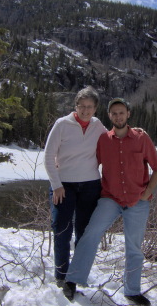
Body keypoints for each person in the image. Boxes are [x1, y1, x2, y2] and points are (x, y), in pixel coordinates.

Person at [63, 98, 157, 306]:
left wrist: (148, 192)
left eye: (121, 112)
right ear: (109, 116)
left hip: (137, 200)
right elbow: (87, 161)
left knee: (134, 247)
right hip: (110, 198)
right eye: (114, 113)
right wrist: (63, 165)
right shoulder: (103, 140)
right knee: (91, 234)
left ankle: (132, 291)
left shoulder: (141, 138)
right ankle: (72, 280)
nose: (118, 116)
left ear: (128, 114)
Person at [44, 86, 107, 287]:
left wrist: (135, 132)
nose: (85, 110)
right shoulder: (62, 124)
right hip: (64, 186)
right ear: (76, 106)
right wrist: (56, 185)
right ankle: (62, 276)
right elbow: (47, 156)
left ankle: (78, 275)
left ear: (96, 108)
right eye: (82, 106)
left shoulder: (98, 126)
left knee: (84, 231)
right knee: (62, 229)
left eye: (90, 107)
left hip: (90, 185)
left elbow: (114, 141)